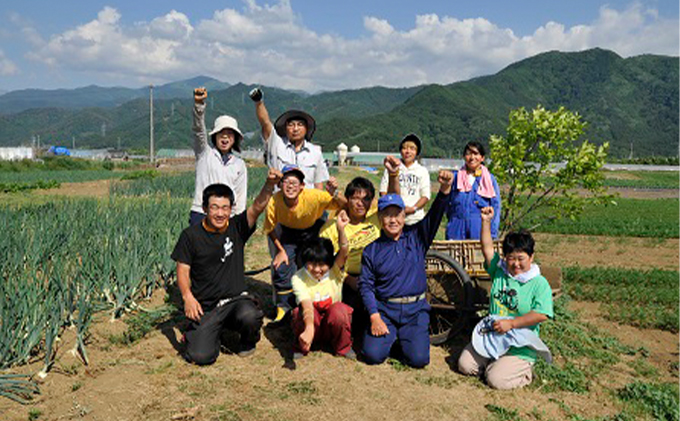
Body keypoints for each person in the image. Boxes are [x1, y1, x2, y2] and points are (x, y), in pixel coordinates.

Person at [171, 168, 282, 365]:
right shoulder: (190, 236)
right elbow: (182, 269)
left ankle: (247, 340)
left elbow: (257, 207)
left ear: (231, 208)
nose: (220, 213)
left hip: (236, 300)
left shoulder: (236, 227)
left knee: (250, 315)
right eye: (214, 207)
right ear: (205, 208)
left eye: (225, 208)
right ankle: (206, 332)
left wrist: (269, 185)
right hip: (207, 307)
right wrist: (187, 297)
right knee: (200, 357)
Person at [359, 168, 454, 368]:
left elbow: (435, 216)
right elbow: (366, 286)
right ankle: (391, 338)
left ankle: (404, 339)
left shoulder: (417, 238)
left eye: (397, 214)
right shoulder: (371, 250)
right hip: (386, 310)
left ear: (404, 215)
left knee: (419, 360)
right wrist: (375, 316)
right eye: (387, 215)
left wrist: (445, 190)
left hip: (416, 310)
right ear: (380, 219)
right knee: (372, 355)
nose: (393, 220)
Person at [457, 206, 553, 389]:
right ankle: (494, 363)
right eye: (511, 258)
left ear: (531, 257)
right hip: (492, 336)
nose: (515, 264)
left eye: (521, 258)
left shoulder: (539, 283)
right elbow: (486, 248)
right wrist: (486, 221)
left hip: (520, 344)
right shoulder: (500, 272)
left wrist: (512, 323)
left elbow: (542, 314)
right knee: (465, 365)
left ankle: (523, 371)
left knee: (496, 381)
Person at [264, 165, 347, 322]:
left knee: (312, 263)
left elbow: (342, 203)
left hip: (311, 230)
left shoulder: (313, 196)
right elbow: (269, 229)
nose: (290, 186)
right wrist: (280, 250)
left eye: (294, 183)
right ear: (280, 185)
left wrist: (334, 192)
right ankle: (283, 308)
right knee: (281, 266)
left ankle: (316, 300)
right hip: (287, 233)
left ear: (302, 186)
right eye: (286, 182)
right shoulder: (274, 201)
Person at [319, 177, 380, 336]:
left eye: (366, 199)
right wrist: (347, 278)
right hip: (345, 278)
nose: (360, 204)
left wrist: (393, 174)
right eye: (355, 198)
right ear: (348, 199)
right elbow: (324, 262)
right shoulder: (332, 226)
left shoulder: (377, 219)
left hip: (375, 276)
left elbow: (396, 203)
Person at [291, 210, 355, 360]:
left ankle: (343, 346)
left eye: (322, 265)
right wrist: (309, 328)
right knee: (297, 312)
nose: (317, 270)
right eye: (312, 265)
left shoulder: (335, 270)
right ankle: (303, 344)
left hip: (332, 324)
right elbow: (306, 305)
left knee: (339, 310)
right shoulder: (298, 278)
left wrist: (340, 229)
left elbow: (344, 250)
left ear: (329, 263)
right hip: (312, 324)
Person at [189, 87, 247, 226]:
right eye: (221, 133)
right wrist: (199, 105)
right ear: (215, 136)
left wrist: (238, 223)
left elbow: (240, 196)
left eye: (230, 133)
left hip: (226, 216)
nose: (225, 137)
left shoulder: (239, 164)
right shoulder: (204, 153)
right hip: (201, 213)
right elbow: (199, 131)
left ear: (235, 138)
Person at [249, 87, 329, 189]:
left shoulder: (315, 151)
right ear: (285, 128)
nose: (295, 129)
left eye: (300, 125)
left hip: (306, 203)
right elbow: (265, 123)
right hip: (280, 202)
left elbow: (318, 184)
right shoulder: (276, 144)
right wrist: (258, 102)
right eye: (291, 125)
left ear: (306, 128)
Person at [446, 141, 501, 239]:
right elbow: (447, 205)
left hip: (480, 231)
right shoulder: (456, 178)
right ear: (464, 157)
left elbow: (496, 207)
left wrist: (492, 234)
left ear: (482, 157)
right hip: (456, 230)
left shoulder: (489, 180)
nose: (472, 157)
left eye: (476, 154)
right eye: (468, 154)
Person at [379, 134, 431, 225]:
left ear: (417, 152)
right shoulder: (392, 168)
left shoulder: (422, 171)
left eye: (412, 148)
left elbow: (425, 196)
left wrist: (413, 208)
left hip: (415, 219)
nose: (408, 151)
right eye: (405, 148)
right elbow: (383, 191)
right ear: (400, 151)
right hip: (394, 220)